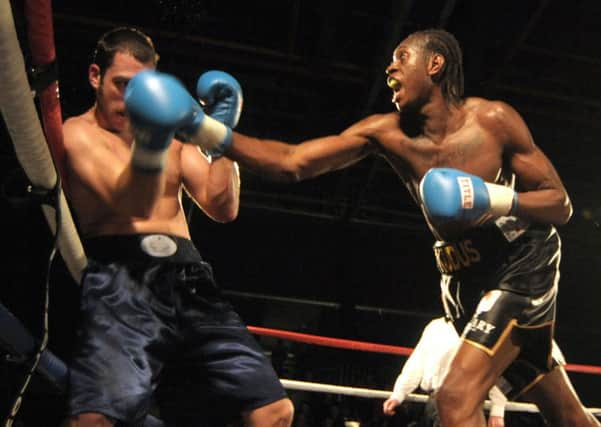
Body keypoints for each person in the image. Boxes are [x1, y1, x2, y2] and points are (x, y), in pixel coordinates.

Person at [181, 28, 600, 426]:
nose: (390, 69)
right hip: (462, 281)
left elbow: (559, 204)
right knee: (565, 415)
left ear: (435, 64)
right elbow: (294, 162)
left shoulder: (492, 120)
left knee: (454, 396)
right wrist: (209, 130)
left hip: (520, 264)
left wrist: (491, 197)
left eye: (402, 58)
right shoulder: (385, 133)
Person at [61, 26, 293, 427]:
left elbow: (222, 207)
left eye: (142, 88)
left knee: (275, 411)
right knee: (94, 421)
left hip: (191, 280)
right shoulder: (77, 134)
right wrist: (153, 138)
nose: (131, 99)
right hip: (123, 280)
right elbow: (132, 203)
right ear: (95, 76)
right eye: (121, 85)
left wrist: (221, 136)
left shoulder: (169, 138)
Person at [382, 317, 507, 427]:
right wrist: (398, 394)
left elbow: (489, 369)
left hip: (464, 403)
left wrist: (498, 409)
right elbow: (417, 361)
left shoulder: (481, 329)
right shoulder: (436, 326)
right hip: (433, 402)